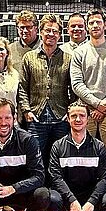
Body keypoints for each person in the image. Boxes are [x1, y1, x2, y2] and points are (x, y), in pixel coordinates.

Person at [48, 103, 106, 211]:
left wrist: (92, 201)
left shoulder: (99, 147)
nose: (78, 119)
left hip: (90, 193)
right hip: (67, 194)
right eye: (74, 116)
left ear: (88, 119)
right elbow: (55, 177)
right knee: (51, 199)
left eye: (82, 115)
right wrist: (71, 200)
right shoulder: (57, 146)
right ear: (68, 119)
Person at [70, 9, 106, 150]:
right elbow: (76, 84)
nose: (95, 25)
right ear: (87, 26)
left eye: (98, 22)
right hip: (86, 111)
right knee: (84, 152)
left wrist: (105, 105)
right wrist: (97, 104)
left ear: (105, 25)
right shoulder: (79, 52)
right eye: (91, 23)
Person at [18, 13, 72, 163]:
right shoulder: (29, 58)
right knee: (35, 158)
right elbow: (22, 87)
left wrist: (69, 112)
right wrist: (26, 110)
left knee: (61, 158)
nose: (51, 34)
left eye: (55, 31)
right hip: (36, 118)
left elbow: (73, 88)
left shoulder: (68, 58)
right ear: (40, 32)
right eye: (47, 30)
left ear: (60, 35)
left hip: (61, 118)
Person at [7, 9, 40, 75]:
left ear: (36, 28)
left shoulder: (45, 48)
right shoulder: (9, 49)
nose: (25, 31)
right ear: (17, 29)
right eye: (22, 27)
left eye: (28, 27)